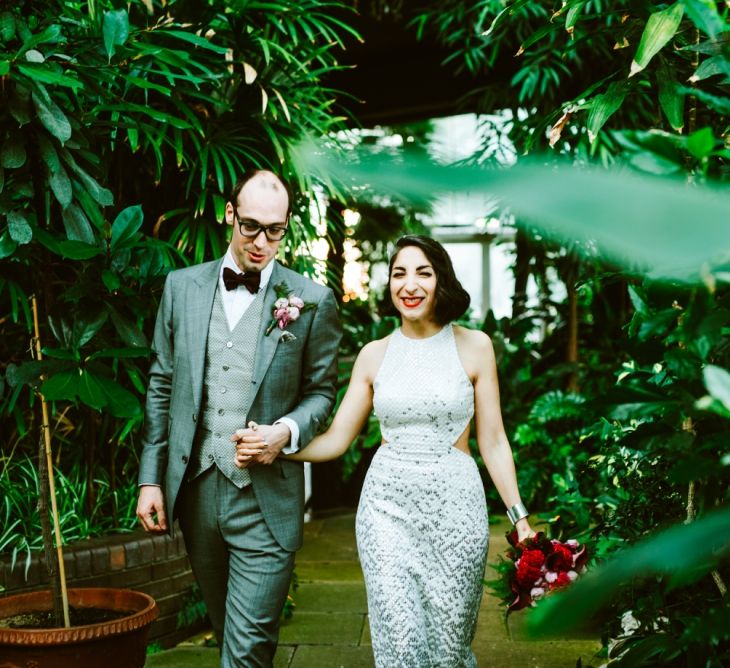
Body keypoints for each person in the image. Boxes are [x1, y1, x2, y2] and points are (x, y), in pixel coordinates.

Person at [236, 234, 534, 667]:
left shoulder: (475, 346)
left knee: (449, 649)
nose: (409, 285)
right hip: (386, 513)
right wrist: (277, 445)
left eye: (423, 273)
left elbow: (492, 441)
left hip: (457, 513)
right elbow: (338, 438)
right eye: (399, 274)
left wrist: (519, 517)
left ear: (441, 281)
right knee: (401, 641)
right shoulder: (374, 356)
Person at [136, 169, 341, 667]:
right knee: (229, 634)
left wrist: (285, 432)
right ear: (230, 214)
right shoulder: (181, 287)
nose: (261, 242)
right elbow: (162, 384)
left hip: (266, 502)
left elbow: (321, 394)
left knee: (245, 653)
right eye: (250, 226)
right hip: (198, 491)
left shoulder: (311, 300)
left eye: (274, 230)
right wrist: (150, 481)